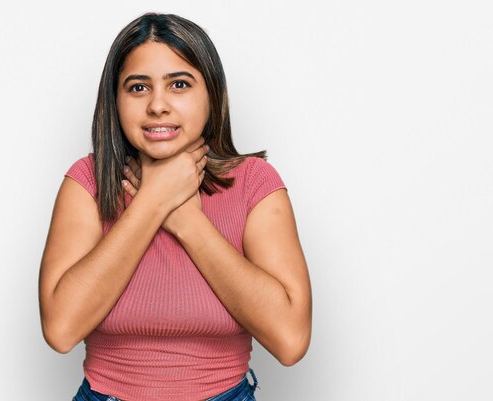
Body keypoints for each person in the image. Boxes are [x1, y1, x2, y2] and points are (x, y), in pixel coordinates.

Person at [38, 12, 312, 401]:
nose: (157, 106)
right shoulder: (87, 182)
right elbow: (61, 330)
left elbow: (290, 340)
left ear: (212, 95)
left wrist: (186, 220)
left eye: (179, 84)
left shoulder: (254, 183)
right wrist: (151, 201)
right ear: (115, 100)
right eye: (137, 88)